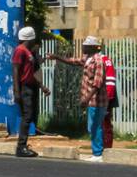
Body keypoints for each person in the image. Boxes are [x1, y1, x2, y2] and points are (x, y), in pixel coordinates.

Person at [53, 36, 108, 162]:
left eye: (85, 45)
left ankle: (98, 154)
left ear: (93, 47)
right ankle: (97, 152)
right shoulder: (88, 59)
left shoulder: (98, 60)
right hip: (91, 100)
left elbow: (98, 83)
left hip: (97, 100)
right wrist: (57, 57)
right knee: (92, 126)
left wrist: (86, 98)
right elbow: (73, 61)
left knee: (95, 126)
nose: (83, 47)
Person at [12, 26, 49, 158]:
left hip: (30, 86)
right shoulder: (20, 50)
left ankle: (23, 145)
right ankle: (21, 147)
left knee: (29, 116)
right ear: (31, 38)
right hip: (24, 88)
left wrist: (41, 86)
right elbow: (16, 71)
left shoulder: (27, 51)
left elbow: (29, 74)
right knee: (27, 117)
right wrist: (17, 91)